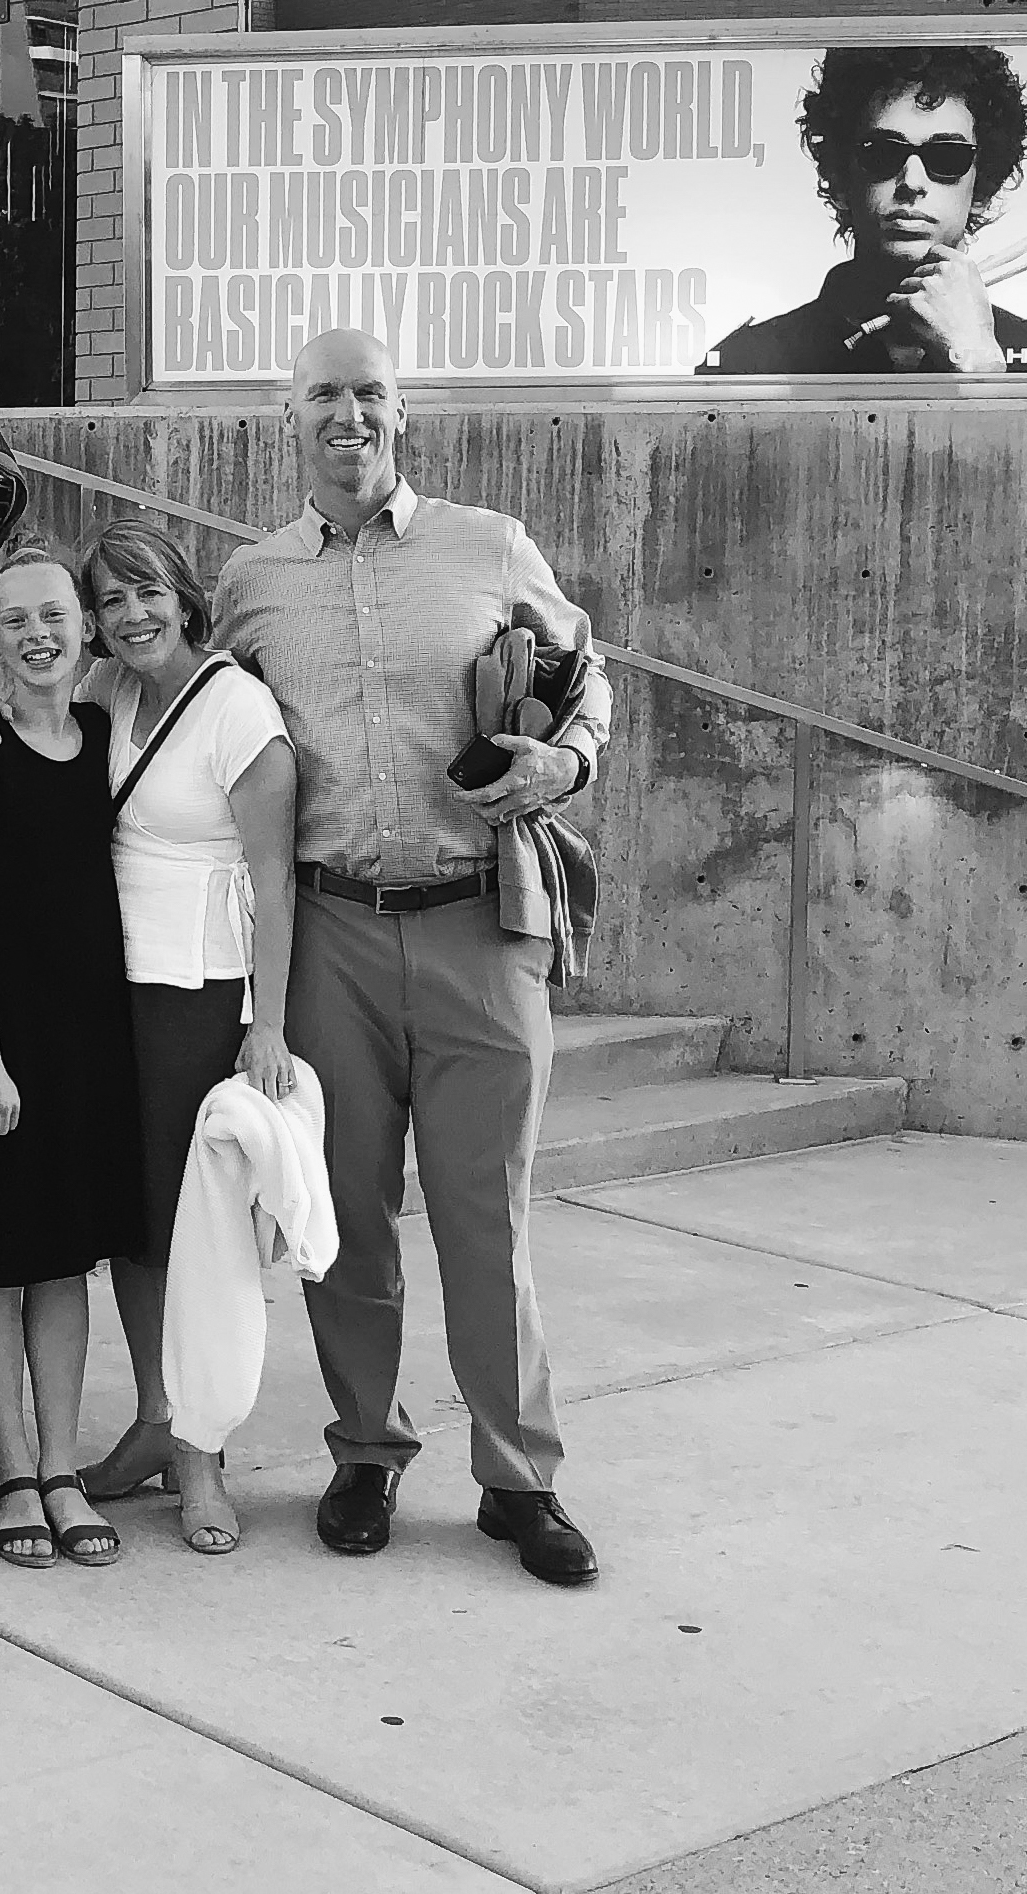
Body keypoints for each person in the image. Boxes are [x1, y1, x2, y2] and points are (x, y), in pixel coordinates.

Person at [219, 326, 610, 1586]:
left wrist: (565, 760)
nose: (349, 414)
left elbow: (588, 678)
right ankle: (366, 1448)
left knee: (485, 1214)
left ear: (401, 414)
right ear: (290, 420)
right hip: (326, 929)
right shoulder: (250, 581)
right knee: (343, 1213)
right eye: (324, 395)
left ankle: (518, 1476)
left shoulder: (488, 545)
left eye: (370, 393)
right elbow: (183, 709)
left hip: (476, 924)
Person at [62, 521, 299, 1557]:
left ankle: (203, 1451)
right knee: (132, 1219)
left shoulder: (237, 708)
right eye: (111, 600)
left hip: (199, 996)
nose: (132, 615)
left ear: (184, 596)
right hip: (111, 986)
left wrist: (267, 1024)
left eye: (147, 591)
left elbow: (275, 882)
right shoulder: (108, 689)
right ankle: (157, 1419)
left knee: (197, 1229)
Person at [0, 541, 144, 1569]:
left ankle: (62, 1467)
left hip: (86, 1044)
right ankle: (10, 1469)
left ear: (84, 627)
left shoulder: (105, 736)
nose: (38, 634)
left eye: (53, 614)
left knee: (64, 1258)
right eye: (15, 620)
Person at [700, 45, 1027, 376]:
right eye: (881, 153)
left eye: (947, 157)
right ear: (840, 180)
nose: (912, 182)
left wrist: (978, 366)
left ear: (981, 188)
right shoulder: (746, 365)